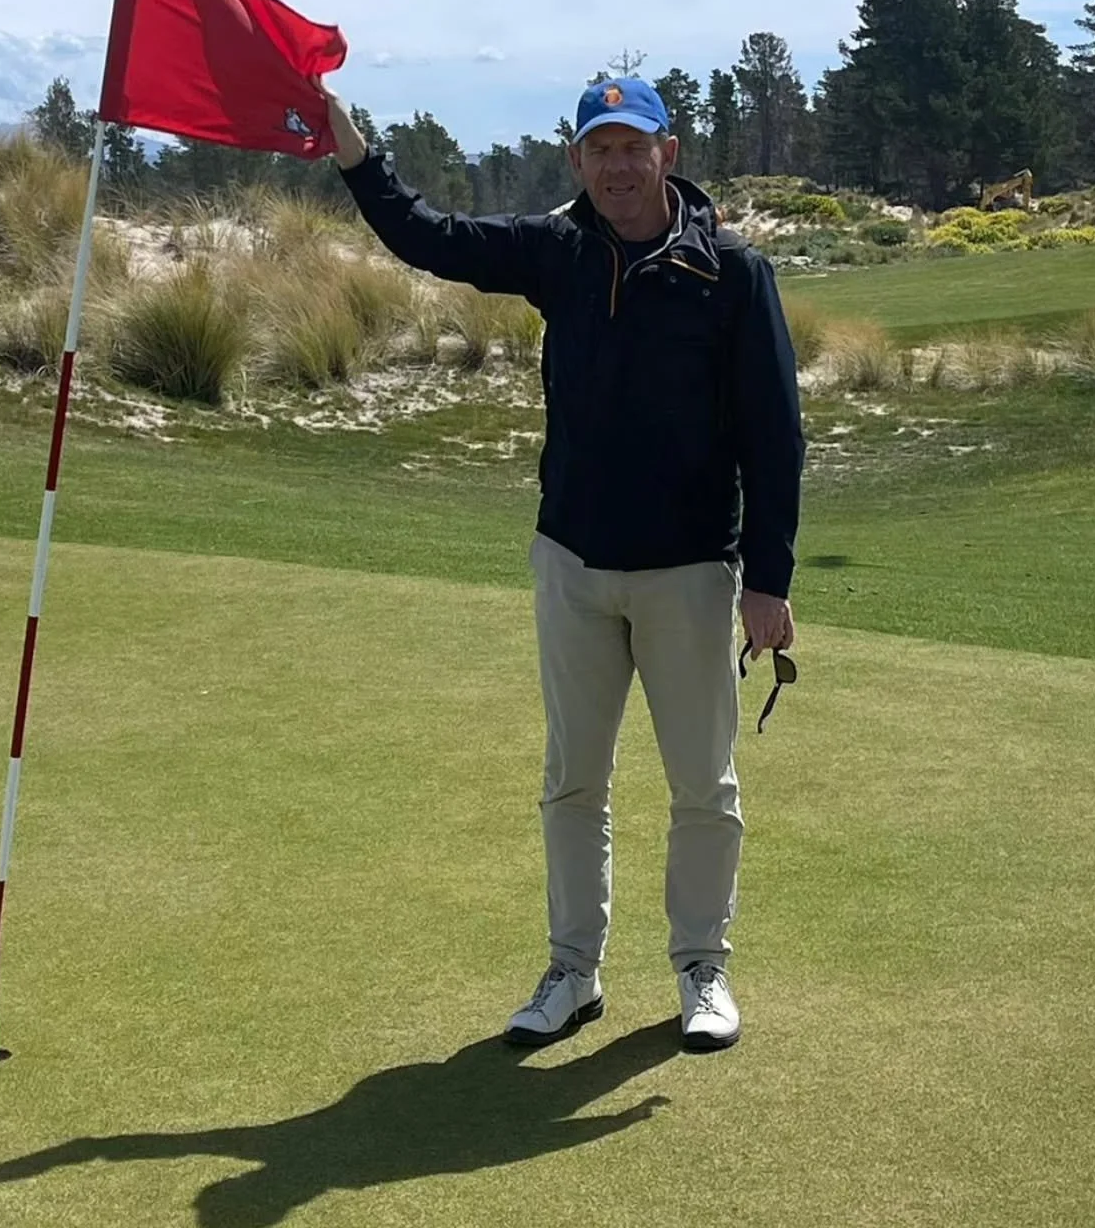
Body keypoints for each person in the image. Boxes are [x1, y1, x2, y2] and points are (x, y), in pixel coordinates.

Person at [319, 76, 805, 1052]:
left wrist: (769, 580)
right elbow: (429, 237)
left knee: (703, 786)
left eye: (635, 146)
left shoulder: (731, 272)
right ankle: (573, 971)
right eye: (600, 149)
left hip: (691, 572)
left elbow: (774, 436)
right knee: (573, 784)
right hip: (573, 565)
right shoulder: (559, 249)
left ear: (668, 152)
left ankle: (701, 968)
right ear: (577, 162)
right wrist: (352, 150)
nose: (618, 165)